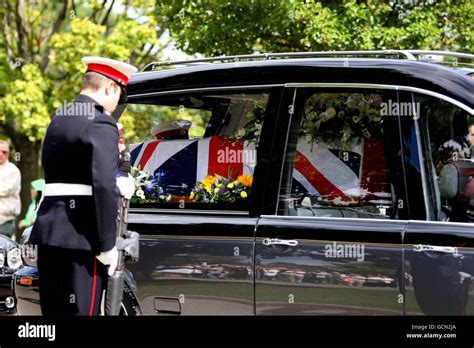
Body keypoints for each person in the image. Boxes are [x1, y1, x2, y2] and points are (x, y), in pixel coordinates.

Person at [29, 56, 137, 315]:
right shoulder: (101, 121)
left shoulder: (60, 117)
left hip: (49, 232)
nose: (116, 103)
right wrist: (107, 244)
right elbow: (102, 184)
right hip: (82, 236)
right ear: (110, 87)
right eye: (119, 95)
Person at [0, 140, 21, 238]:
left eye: (4, 152)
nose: (1, 154)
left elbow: (4, 190)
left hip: (5, 221)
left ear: (8, 154)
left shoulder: (12, 170)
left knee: (3, 251)